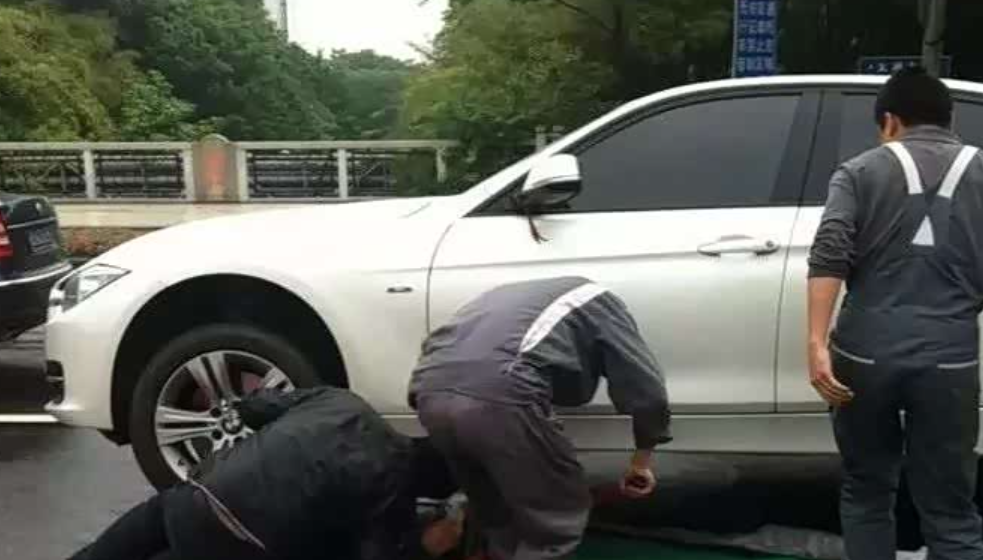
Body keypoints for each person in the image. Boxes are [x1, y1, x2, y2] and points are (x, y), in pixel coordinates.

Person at [808, 67, 983, 560]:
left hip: (863, 353)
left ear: (889, 121)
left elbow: (830, 251)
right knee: (951, 508)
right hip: (950, 356)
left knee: (866, 489)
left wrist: (817, 343)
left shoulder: (858, 171)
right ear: (949, 119)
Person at [409, 276, 672, 560]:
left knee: (495, 508)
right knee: (556, 515)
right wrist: (641, 460)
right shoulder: (601, 304)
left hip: (429, 392)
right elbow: (646, 389)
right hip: (498, 396)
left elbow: (437, 344)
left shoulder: (500, 299)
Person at [68, 387, 462, 560]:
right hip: (238, 546)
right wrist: (426, 545)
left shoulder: (342, 402)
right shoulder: (392, 489)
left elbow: (255, 408)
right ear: (428, 488)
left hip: (194, 497)